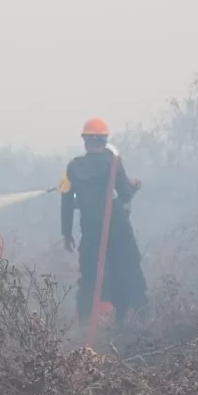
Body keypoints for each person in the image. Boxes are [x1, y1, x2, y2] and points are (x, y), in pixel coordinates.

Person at [60, 117, 146, 328]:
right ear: (105, 140)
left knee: (91, 277)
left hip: (91, 233)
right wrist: (134, 187)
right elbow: (124, 195)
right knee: (128, 271)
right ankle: (138, 319)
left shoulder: (72, 167)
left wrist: (66, 233)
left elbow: (66, 202)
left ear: (85, 140)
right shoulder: (113, 161)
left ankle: (85, 322)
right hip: (118, 230)